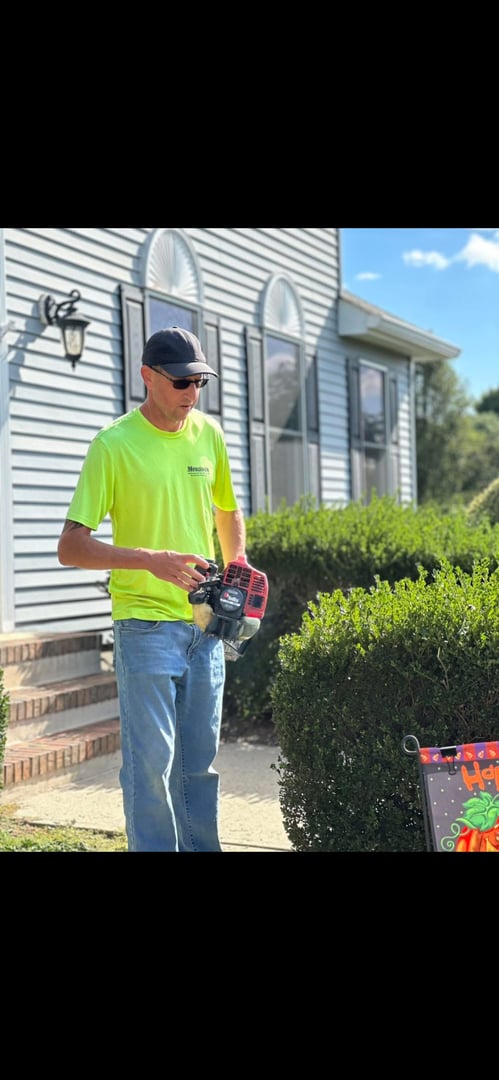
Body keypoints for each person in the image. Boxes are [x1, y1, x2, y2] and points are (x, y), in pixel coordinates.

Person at [57, 326, 246, 852]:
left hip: (205, 628)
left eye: (199, 383)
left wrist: (240, 566)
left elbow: (226, 510)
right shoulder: (113, 445)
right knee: (151, 766)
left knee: (198, 767)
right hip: (143, 626)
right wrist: (150, 562)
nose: (192, 394)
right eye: (182, 382)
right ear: (148, 376)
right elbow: (71, 547)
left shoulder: (209, 434)